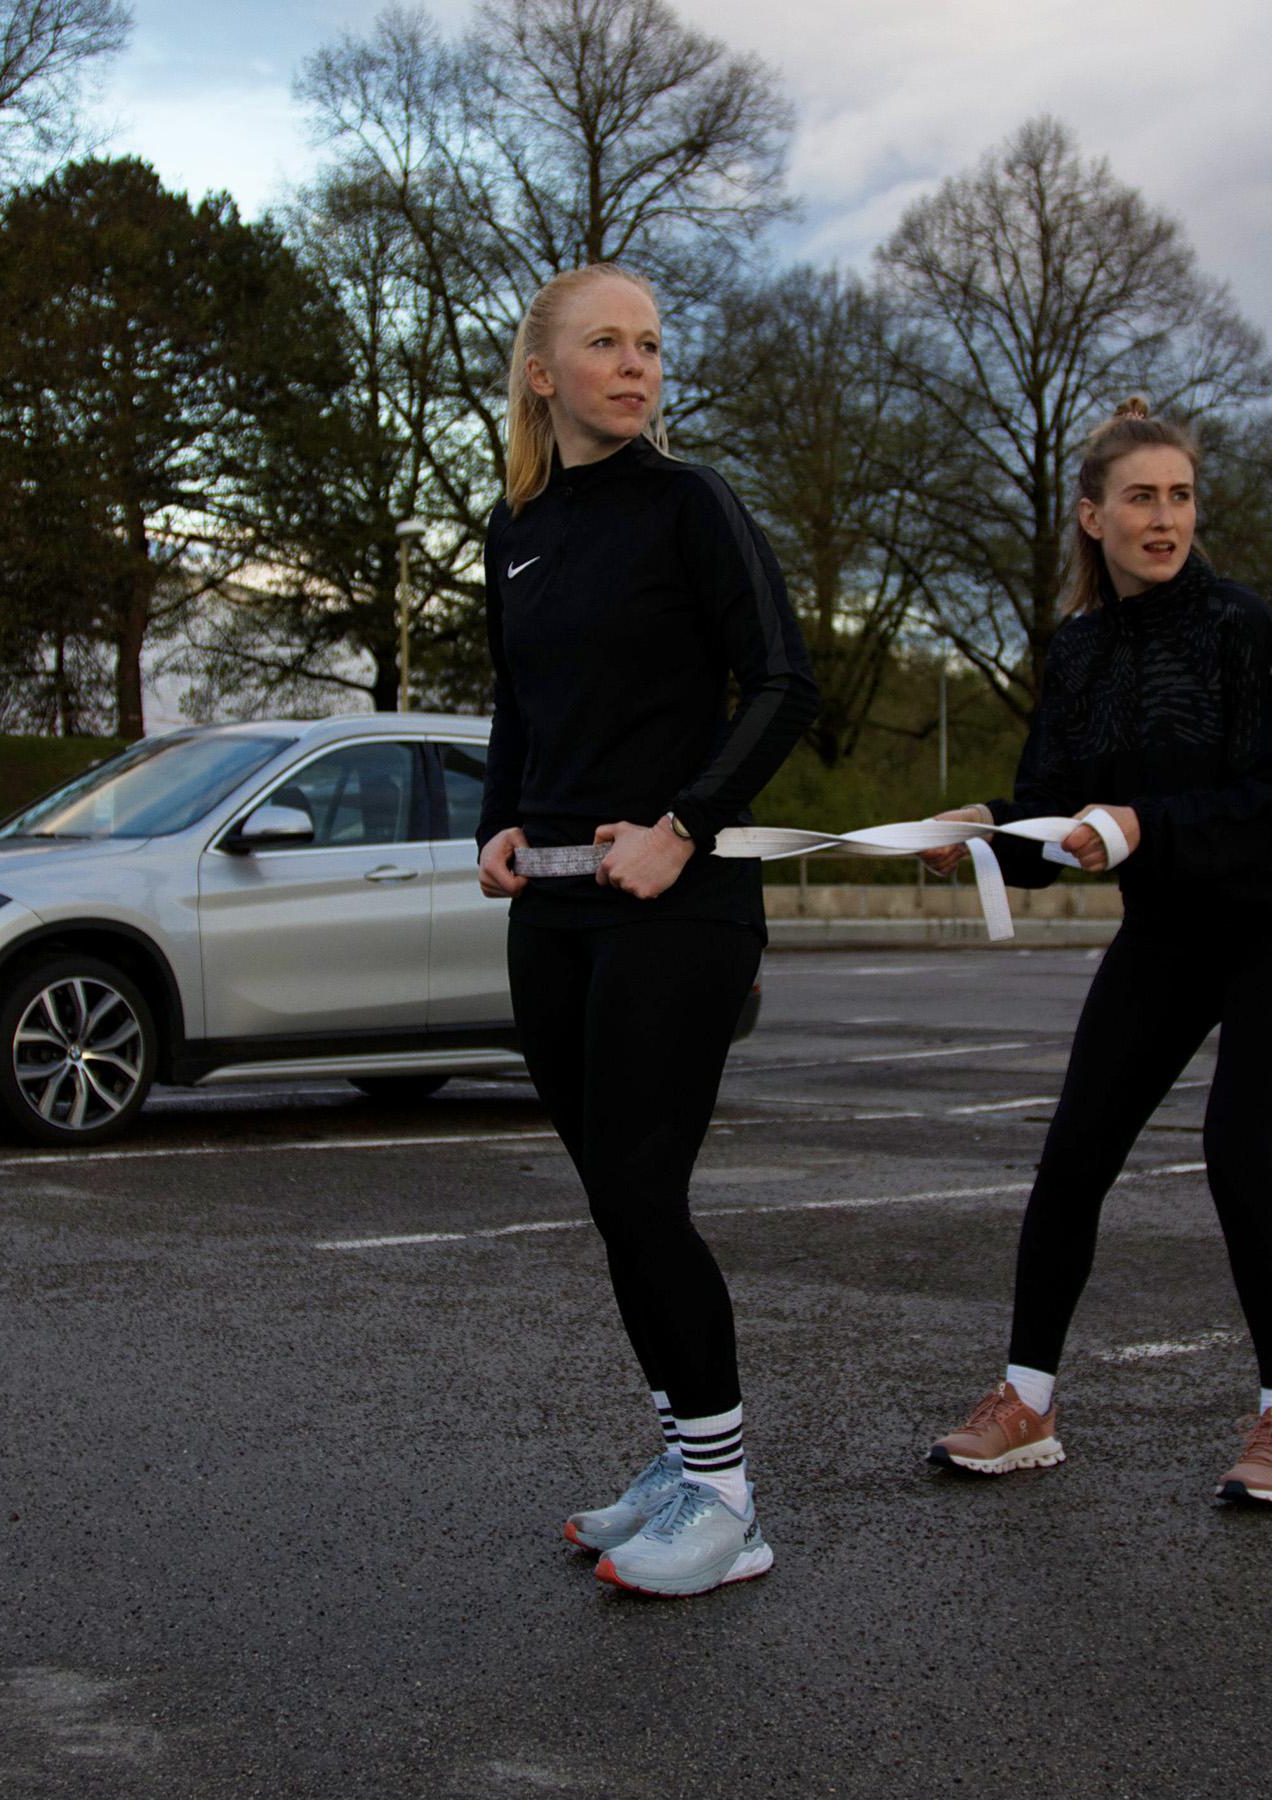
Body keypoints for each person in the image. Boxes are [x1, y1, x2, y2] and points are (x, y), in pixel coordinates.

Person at [921, 396, 1272, 1506]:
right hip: (1168, 932)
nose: (1166, 519)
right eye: (1142, 499)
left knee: (1237, 1155)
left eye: (1181, 497)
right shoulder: (1078, 651)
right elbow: (1062, 815)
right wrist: (981, 838)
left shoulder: (1238, 626)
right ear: (1091, 518)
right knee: (1073, 1157)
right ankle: (1024, 1404)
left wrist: (1144, 826)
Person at [475, 263, 818, 1594]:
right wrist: (498, 822)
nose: (637, 366)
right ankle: (686, 1457)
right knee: (615, 1201)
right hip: (554, 908)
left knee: (639, 1186)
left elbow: (784, 682)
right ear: (543, 374)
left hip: (682, 903)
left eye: (653, 347)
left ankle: (728, 1504)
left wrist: (686, 824)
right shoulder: (515, 529)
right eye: (606, 344)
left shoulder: (692, 503)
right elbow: (520, 700)